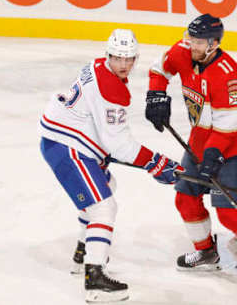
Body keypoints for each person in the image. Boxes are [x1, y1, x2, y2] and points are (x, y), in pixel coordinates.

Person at [145, 13, 237, 293]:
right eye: (190, 37)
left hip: (233, 147)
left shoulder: (227, 74)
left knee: (228, 212)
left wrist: (212, 159)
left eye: (198, 41)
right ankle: (206, 253)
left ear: (213, 44)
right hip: (201, 141)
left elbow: (227, 127)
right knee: (185, 197)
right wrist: (156, 95)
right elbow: (159, 68)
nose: (191, 44)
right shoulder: (184, 50)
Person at [38, 29, 183, 303]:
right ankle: (94, 280)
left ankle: (83, 252)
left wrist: (146, 161)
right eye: (118, 58)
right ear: (109, 55)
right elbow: (119, 145)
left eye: (129, 59)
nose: (124, 64)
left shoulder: (97, 66)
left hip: (64, 138)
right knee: (104, 207)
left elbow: (99, 127)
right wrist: (157, 163)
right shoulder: (112, 89)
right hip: (67, 147)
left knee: (107, 186)